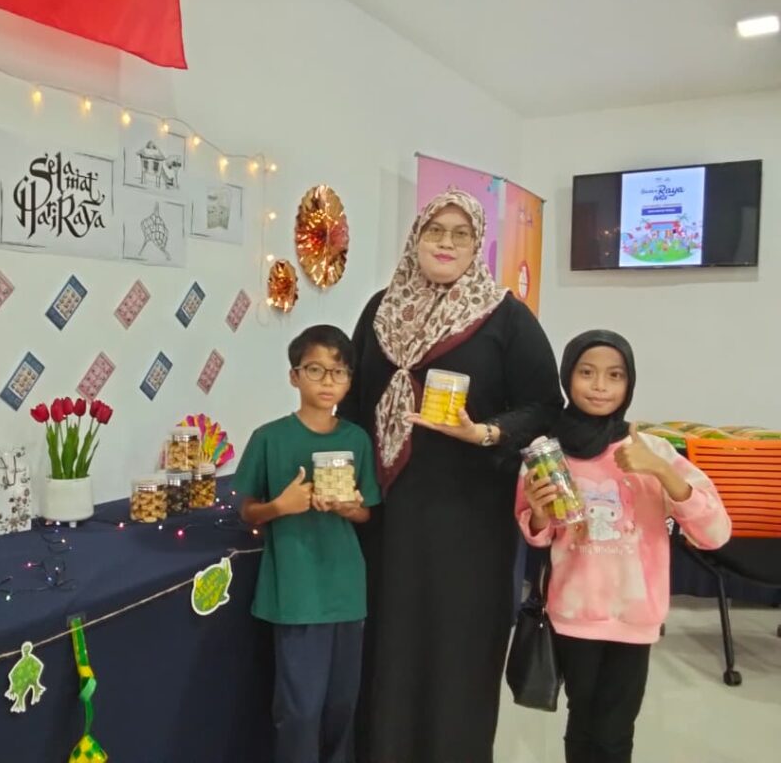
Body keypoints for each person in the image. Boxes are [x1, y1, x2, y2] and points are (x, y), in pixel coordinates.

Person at [338, 189, 563, 762]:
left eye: (461, 233)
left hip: (468, 519)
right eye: (435, 230)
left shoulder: (505, 316)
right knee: (387, 642)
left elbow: (544, 405)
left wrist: (485, 432)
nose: (446, 242)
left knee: (456, 647)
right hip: (387, 518)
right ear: (416, 237)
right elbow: (354, 403)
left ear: (477, 244)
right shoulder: (381, 309)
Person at [517, 330, 731, 763]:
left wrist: (661, 472)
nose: (600, 386)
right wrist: (538, 513)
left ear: (629, 383)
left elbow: (716, 532)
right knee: (582, 722)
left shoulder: (650, 450)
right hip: (575, 616)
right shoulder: (549, 453)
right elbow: (537, 534)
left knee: (615, 731)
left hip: (634, 616)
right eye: (587, 373)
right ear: (567, 377)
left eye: (614, 375)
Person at [233, 324, 382, 763]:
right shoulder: (270, 438)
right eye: (315, 370)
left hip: (346, 590)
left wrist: (349, 508)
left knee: (341, 706)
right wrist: (281, 506)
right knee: (300, 710)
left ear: (350, 380)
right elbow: (247, 511)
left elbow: (367, 511)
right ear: (294, 376)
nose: (327, 381)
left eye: (338, 372)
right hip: (296, 592)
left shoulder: (356, 439)